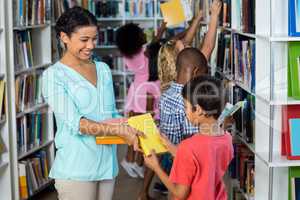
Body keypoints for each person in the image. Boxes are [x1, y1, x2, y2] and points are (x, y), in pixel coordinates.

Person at [42, 7, 142, 200]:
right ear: (64, 37)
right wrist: (119, 132)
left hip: (106, 165)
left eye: (94, 39)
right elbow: (78, 124)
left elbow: (110, 115)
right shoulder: (53, 76)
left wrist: (135, 127)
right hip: (77, 169)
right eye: (84, 40)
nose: (90, 46)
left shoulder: (103, 69)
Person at [144, 75, 234, 200]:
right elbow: (204, 162)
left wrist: (156, 167)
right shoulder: (227, 138)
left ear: (198, 110)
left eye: (185, 107)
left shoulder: (188, 147)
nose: (185, 111)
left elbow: (180, 194)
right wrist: (171, 147)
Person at [158, 0, 222, 91]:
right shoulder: (188, 78)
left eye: (184, 44)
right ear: (178, 59)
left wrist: (198, 18)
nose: (188, 45)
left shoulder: (171, 83)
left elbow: (187, 39)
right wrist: (214, 15)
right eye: (185, 47)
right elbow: (208, 47)